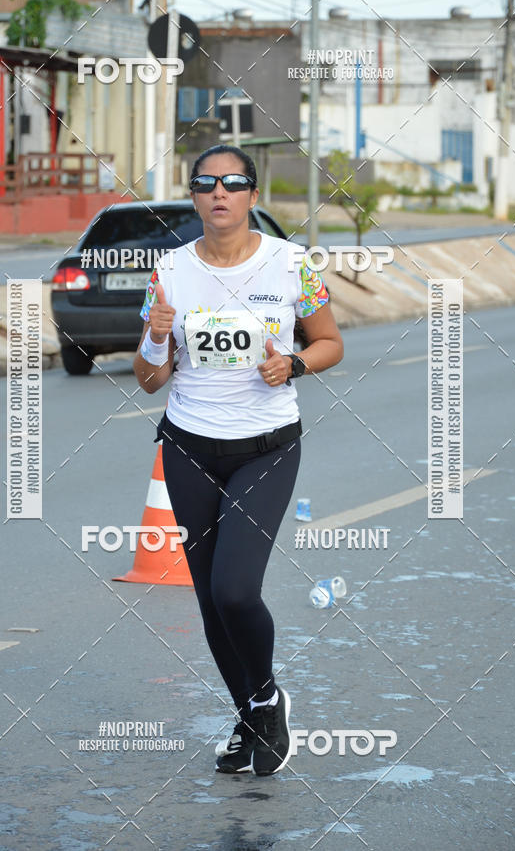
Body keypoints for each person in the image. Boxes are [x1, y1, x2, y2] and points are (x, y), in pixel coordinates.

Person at [133, 144, 343, 777]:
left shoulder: (293, 265)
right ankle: (252, 715)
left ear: (253, 195)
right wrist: (154, 334)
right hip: (189, 448)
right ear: (194, 196)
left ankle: (265, 699)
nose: (218, 192)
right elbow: (148, 379)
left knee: (235, 589)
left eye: (232, 183)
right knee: (210, 603)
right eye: (205, 183)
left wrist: (295, 363)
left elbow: (330, 342)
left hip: (267, 447)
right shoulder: (168, 272)